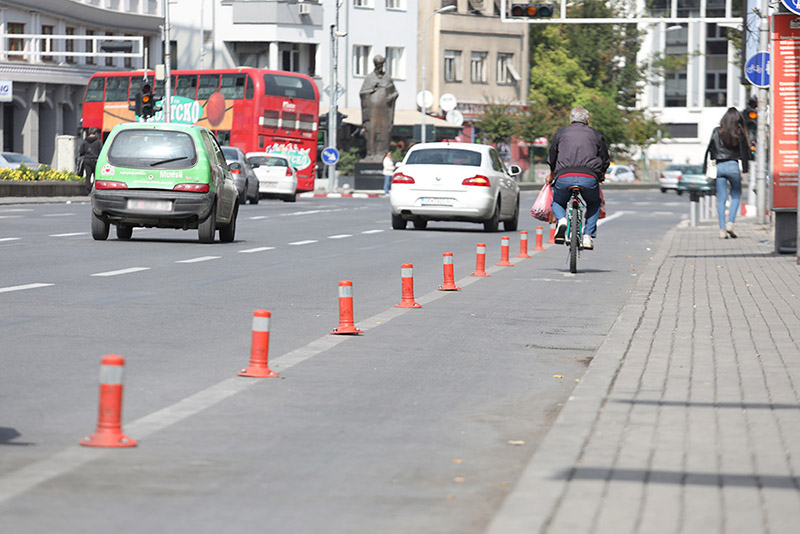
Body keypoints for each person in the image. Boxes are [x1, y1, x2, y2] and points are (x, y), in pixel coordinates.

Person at [546, 107, 609, 250]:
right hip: (588, 177)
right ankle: (587, 236)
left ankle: (562, 220)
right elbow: (604, 158)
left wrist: (552, 173)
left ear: (570, 120)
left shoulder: (561, 133)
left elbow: (552, 155)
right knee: (594, 203)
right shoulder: (596, 134)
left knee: (558, 202)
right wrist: (602, 174)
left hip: (564, 176)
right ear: (587, 121)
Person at [703, 107, 749, 239]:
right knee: (735, 196)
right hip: (733, 166)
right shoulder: (739, 132)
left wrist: (709, 164)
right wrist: (745, 169)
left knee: (721, 199)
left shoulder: (717, 131)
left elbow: (710, 148)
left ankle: (722, 229)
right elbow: (745, 151)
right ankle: (731, 223)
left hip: (720, 166)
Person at [359, 55, 398, 161]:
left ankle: (382, 153)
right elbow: (362, 93)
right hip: (372, 112)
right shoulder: (369, 78)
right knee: (371, 132)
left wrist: (391, 97)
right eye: (378, 65)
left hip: (385, 111)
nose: (380, 67)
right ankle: (370, 154)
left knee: (384, 132)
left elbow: (395, 92)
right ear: (375, 65)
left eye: (381, 65)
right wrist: (371, 89)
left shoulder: (387, 77)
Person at [78, 127, 102, 194]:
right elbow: (101, 151)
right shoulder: (98, 141)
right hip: (95, 160)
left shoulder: (84, 141)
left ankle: (88, 190)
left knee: (88, 176)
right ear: (96, 133)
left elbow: (81, 151)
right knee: (96, 176)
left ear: (88, 133)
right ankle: (95, 190)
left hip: (87, 160)